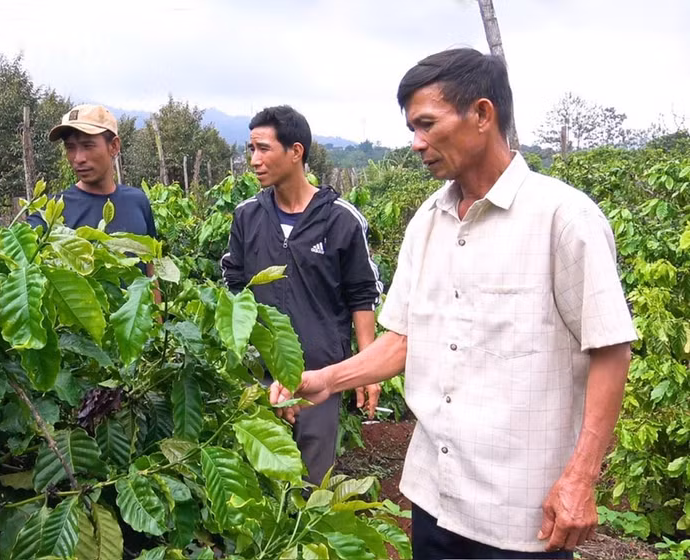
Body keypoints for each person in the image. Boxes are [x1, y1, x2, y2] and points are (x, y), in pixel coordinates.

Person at [270, 48, 636, 559]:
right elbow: (403, 339)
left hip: (522, 513)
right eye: (411, 129)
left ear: (482, 114)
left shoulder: (564, 218)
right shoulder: (428, 221)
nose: (416, 143)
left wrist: (581, 476)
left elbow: (611, 348)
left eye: (426, 124)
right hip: (433, 496)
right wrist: (326, 381)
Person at [221, 105, 383, 485]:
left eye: (264, 149)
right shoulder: (247, 216)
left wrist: (368, 369)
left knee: (311, 485)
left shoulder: (341, 219)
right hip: (258, 376)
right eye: (252, 149)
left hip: (320, 376)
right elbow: (233, 286)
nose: (254, 160)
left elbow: (362, 295)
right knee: (257, 485)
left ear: (296, 152)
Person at [28, 104, 157, 276]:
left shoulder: (138, 201)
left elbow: (150, 270)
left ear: (114, 146)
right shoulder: (51, 212)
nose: (78, 158)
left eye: (88, 145)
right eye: (70, 147)